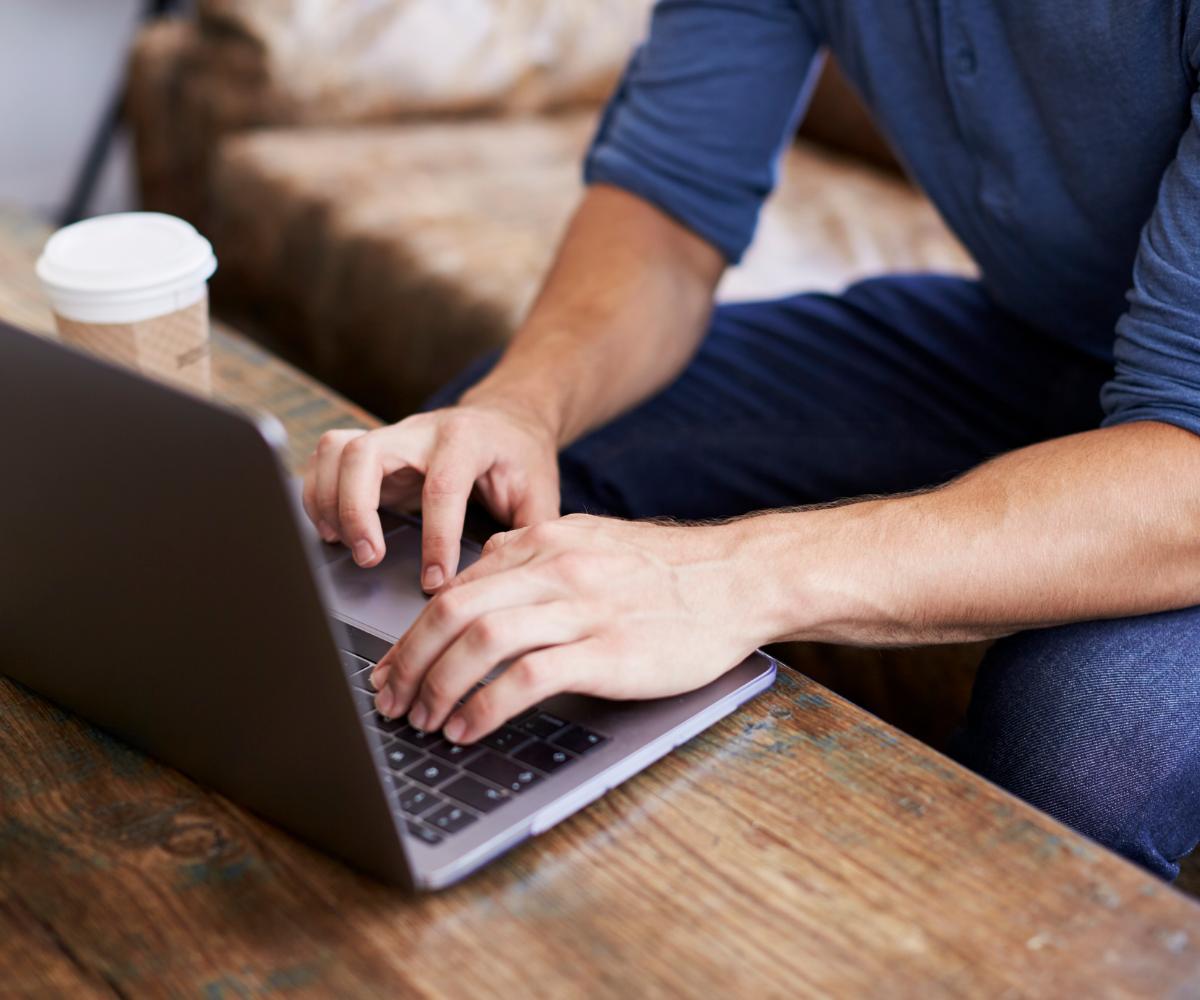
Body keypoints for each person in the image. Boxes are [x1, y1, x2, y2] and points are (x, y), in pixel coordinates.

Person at [302, 2, 1200, 880]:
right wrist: (522, 409)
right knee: (481, 475)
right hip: (1043, 341)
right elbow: (666, 208)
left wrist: (729, 577)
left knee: (1081, 749)